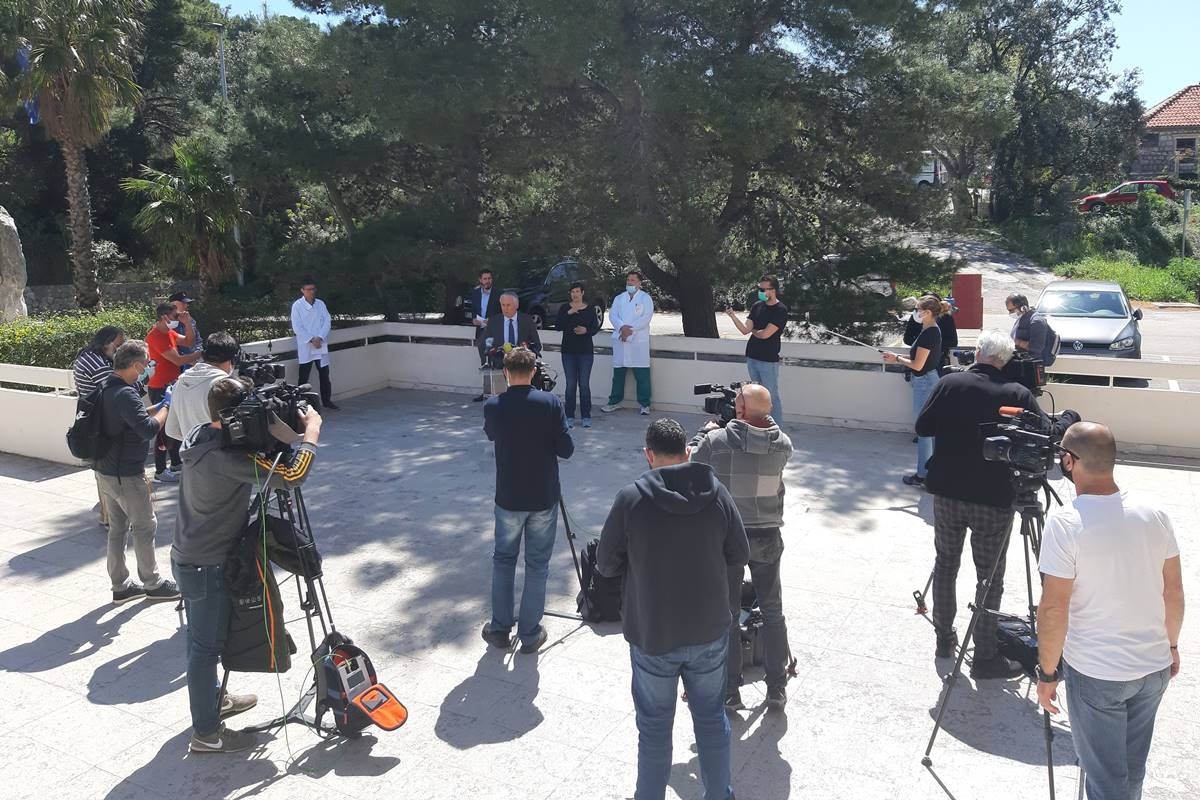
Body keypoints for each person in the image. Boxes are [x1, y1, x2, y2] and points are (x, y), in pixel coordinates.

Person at [596, 418, 749, 800]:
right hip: (709, 629)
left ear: (648, 455)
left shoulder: (630, 500)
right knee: (711, 721)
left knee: (653, 728)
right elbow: (739, 553)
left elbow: (606, 565)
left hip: (653, 632)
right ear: (688, 452)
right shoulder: (718, 494)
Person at [173, 376, 322, 753]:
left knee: (203, 640)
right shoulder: (228, 459)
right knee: (204, 648)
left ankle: (214, 701)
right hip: (205, 564)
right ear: (238, 418)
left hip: (191, 555)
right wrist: (311, 432)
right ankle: (206, 734)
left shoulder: (200, 435)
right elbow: (292, 476)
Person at [1036, 422, 1184, 800]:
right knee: (1131, 771)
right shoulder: (1155, 512)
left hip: (1098, 674)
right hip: (1153, 667)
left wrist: (1047, 672)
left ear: (1069, 461)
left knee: (1106, 783)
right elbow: (1173, 592)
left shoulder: (1065, 522)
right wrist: (1170, 646)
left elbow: (1053, 609)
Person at [914, 329, 1047, 679]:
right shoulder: (1017, 393)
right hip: (993, 499)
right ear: (1006, 360)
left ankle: (944, 639)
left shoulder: (949, 383)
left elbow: (923, 426)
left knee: (945, 565)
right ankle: (985, 655)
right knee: (989, 578)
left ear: (977, 353)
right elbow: (1044, 437)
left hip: (947, 493)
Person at [689, 384, 794, 712]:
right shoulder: (784, 444)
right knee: (773, 611)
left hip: (728, 536)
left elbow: (691, 462)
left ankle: (731, 691)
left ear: (740, 410)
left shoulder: (716, 441)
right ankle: (776, 688)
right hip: (768, 536)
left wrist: (704, 432)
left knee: (729, 615)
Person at [480, 347, 573, 654]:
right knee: (537, 564)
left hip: (509, 496)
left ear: (505, 373)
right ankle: (530, 633)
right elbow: (566, 449)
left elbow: (492, 434)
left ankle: (499, 628)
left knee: (503, 560)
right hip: (542, 495)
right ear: (534, 371)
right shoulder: (550, 403)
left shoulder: (494, 405)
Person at [94, 340, 180, 605]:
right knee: (145, 526)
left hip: (106, 471)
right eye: (146, 363)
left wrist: (158, 406)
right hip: (126, 474)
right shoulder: (125, 394)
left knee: (117, 528)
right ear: (135, 365)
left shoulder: (107, 386)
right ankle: (152, 583)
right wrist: (167, 406)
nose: (149, 368)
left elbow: (134, 417)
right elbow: (147, 428)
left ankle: (120, 586)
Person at [884, 295, 947, 487]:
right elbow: (919, 359)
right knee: (930, 430)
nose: (915, 313)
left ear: (927, 312)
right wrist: (898, 357)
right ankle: (932, 472)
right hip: (927, 380)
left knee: (924, 430)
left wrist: (896, 359)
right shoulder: (929, 330)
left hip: (925, 382)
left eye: (918, 310)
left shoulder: (929, 333)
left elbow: (918, 365)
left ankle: (923, 475)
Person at [74, 325, 125, 528]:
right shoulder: (97, 363)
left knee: (101, 471)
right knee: (107, 471)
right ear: (108, 342)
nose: (119, 350)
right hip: (101, 421)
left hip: (93, 419)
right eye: (118, 345)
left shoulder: (87, 356)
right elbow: (114, 390)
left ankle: (107, 515)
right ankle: (109, 516)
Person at [146, 301, 201, 482]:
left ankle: (176, 462)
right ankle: (160, 470)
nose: (179, 317)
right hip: (160, 387)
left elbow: (189, 341)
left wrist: (187, 323)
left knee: (176, 423)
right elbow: (177, 360)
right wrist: (198, 355)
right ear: (164, 317)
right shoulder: (155, 336)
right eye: (176, 316)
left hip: (172, 384)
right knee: (162, 430)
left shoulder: (169, 332)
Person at [724, 274, 788, 421]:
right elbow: (745, 330)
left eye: (764, 289)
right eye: (760, 289)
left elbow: (765, 334)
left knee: (771, 396)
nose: (761, 292)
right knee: (756, 396)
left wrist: (754, 331)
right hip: (752, 357)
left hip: (768, 360)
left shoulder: (780, 310)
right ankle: (759, 425)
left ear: (773, 290)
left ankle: (776, 428)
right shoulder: (757, 306)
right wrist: (732, 316)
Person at [166, 332, 241, 446]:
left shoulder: (179, 383)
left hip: (192, 454)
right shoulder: (225, 386)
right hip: (224, 455)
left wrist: (195, 441)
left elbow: (171, 430)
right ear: (233, 359)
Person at [602, 270, 654, 415]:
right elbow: (613, 315)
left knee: (642, 375)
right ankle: (614, 402)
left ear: (639, 283)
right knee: (618, 374)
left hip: (638, 341)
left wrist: (628, 331)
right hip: (621, 339)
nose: (629, 282)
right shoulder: (619, 298)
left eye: (632, 280)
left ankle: (644, 404)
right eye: (628, 280)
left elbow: (646, 318)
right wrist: (621, 328)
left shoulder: (645, 298)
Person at [555, 281, 601, 428]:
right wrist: (569, 313)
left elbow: (595, 328)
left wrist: (586, 330)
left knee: (584, 384)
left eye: (577, 291)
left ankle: (586, 415)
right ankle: (569, 416)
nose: (574, 294)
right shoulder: (565, 308)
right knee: (570, 385)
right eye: (572, 292)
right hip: (568, 352)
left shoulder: (590, 309)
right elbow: (558, 326)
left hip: (585, 352)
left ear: (582, 293)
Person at [290, 277, 339, 411]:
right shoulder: (297, 306)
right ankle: (301, 404)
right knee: (304, 376)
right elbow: (297, 327)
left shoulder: (320, 304)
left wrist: (320, 337)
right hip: (306, 345)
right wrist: (312, 339)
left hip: (320, 344)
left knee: (324, 374)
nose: (311, 292)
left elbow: (327, 321)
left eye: (313, 289)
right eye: (308, 289)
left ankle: (327, 401)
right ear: (302, 290)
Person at [903, 292, 958, 371]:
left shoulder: (944, 319)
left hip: (936, 363)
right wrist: (921, 349)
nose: (917, 311)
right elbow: (907, 339)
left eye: (919, 308)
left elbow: (952, 341)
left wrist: (930, 349)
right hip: (918, 364)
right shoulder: (916, 317)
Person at [1006, 293, 1053, 365]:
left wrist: (1017, 342)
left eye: (1011, 310)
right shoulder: (1021, 318)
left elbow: (1036, 347)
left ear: (1023, 308)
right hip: (1020, 362)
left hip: (1031, 365)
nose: (1010, 313)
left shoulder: (1037, 321)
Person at [470, 268, 501, 363]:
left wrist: (492, 320)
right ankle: (485, 366)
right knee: (482, 350)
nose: (487, 281)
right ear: (480, 280)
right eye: (485, 279)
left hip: (494, 329)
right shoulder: (475, 293)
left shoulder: (498, 293)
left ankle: (490, 366)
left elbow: (503, 312)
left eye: (489, 278)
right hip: (480, 328)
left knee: (492, 354)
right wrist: (474, 319)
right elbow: (473, 310)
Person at [169, 291, 201, 368]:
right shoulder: (168, 324)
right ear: (173, 304)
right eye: (183, 303)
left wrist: (198, 354)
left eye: (186, 303)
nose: (186, 305)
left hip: (195, 362)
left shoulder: (191, 320)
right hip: (178, 365)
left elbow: (198, 340)